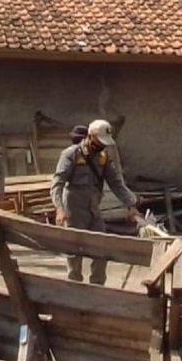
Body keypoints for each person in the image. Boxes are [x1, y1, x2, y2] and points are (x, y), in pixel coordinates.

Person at [51, 119, 139, 285]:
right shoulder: (71, 154)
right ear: (90, 137)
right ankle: (74, 285)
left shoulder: (103, 158)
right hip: (73, 209)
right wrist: (59, 209)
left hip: (94, 208)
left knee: (101, 248)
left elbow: (116, 183)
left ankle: (97, 285)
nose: (102, 146)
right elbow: (57, 183)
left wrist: (130, 205)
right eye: (99, 142)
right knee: (74, 250)